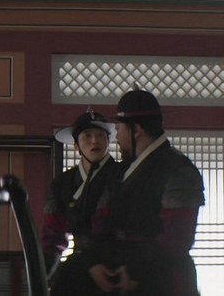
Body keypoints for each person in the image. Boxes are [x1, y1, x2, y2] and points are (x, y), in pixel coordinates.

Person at [85, 89, 205, 296]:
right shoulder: (121, 171)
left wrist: (133, 269)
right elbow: (100, 222)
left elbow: (177, 238)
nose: (117, 137)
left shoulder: (178, 170)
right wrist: (94, 261)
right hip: (118, 270)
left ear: (136, 130)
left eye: (119, 129)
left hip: (163, 278)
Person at [43, 109, 122, 295]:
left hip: (116, 265)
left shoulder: (122, 175)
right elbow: (53, 235)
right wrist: (43, 274)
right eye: (87, 135)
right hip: (78, 265)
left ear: (108, 141)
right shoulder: (62, 183)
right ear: (76, 146)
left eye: (100, 135)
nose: (95, 141)